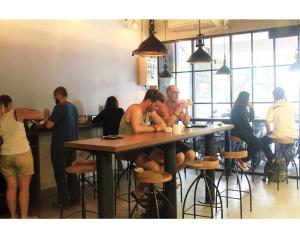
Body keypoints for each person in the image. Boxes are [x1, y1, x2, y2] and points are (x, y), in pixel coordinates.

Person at [118, 89, 166, 202]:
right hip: (127, 148)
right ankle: (139, 191)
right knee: (155, 167)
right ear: (149, 101)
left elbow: (163, 124)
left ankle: (150, 189)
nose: (157, 108)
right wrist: (154, 128)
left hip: (141, 146)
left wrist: (156, 126)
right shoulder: (135, 109)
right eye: (156, 105)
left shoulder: (150, 111)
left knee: (165, 159)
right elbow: (136, 129)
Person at [0, 95, 43, 218]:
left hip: (5, 157)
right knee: (24, 188)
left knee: (11, 187)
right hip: (22, 154)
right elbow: (40, 115)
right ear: (10, 104)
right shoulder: (16, 112)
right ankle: (23, 218)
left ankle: (14, 216)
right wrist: (24, 109)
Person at [43, 86, 80, 207]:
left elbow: (48, 125)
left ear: (58, 95)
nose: (54, 99)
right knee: (71, 172)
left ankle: (63, 202)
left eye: (54, 97)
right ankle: (74, 198)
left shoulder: (59, 107)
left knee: (60, 174)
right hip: (72, 145)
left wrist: (46, 116)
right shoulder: (73, 107)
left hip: (59, 147)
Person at [157, 85, 196, 171]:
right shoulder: (162, 107)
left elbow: (186, 122)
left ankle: (170, 176)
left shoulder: (178, 105)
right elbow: (168, 124)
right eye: (174, 92)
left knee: (191, 155)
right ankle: (168, 180)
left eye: (178, 92)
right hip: (162, 140)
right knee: (180, 157)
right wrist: (180, 108)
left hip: (174, 139)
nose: (177, 95)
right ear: (167, 94)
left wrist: (186, 108)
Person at [261, 87, 297, 180]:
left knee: (262, 142)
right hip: (291, 135)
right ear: (284, 95)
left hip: (278, 135)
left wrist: (269, 131)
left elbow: (267, 121)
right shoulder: (291, 105)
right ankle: (283, 167)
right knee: (289, 148)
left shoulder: (273, 106)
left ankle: (272, 159)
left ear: (274, 96)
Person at [230, 91, 263, 171]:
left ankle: (242, 159)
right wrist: (251, 131)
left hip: (239, 130)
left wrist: (251, 107)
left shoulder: (240, 107)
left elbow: (251, 117)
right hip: (239, 131)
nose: (249, 100)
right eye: (248, 99)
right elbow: (245, 122)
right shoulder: (240, 108)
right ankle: (242, 159)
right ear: (245, 99)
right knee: (258, 144)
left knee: (256, 143)